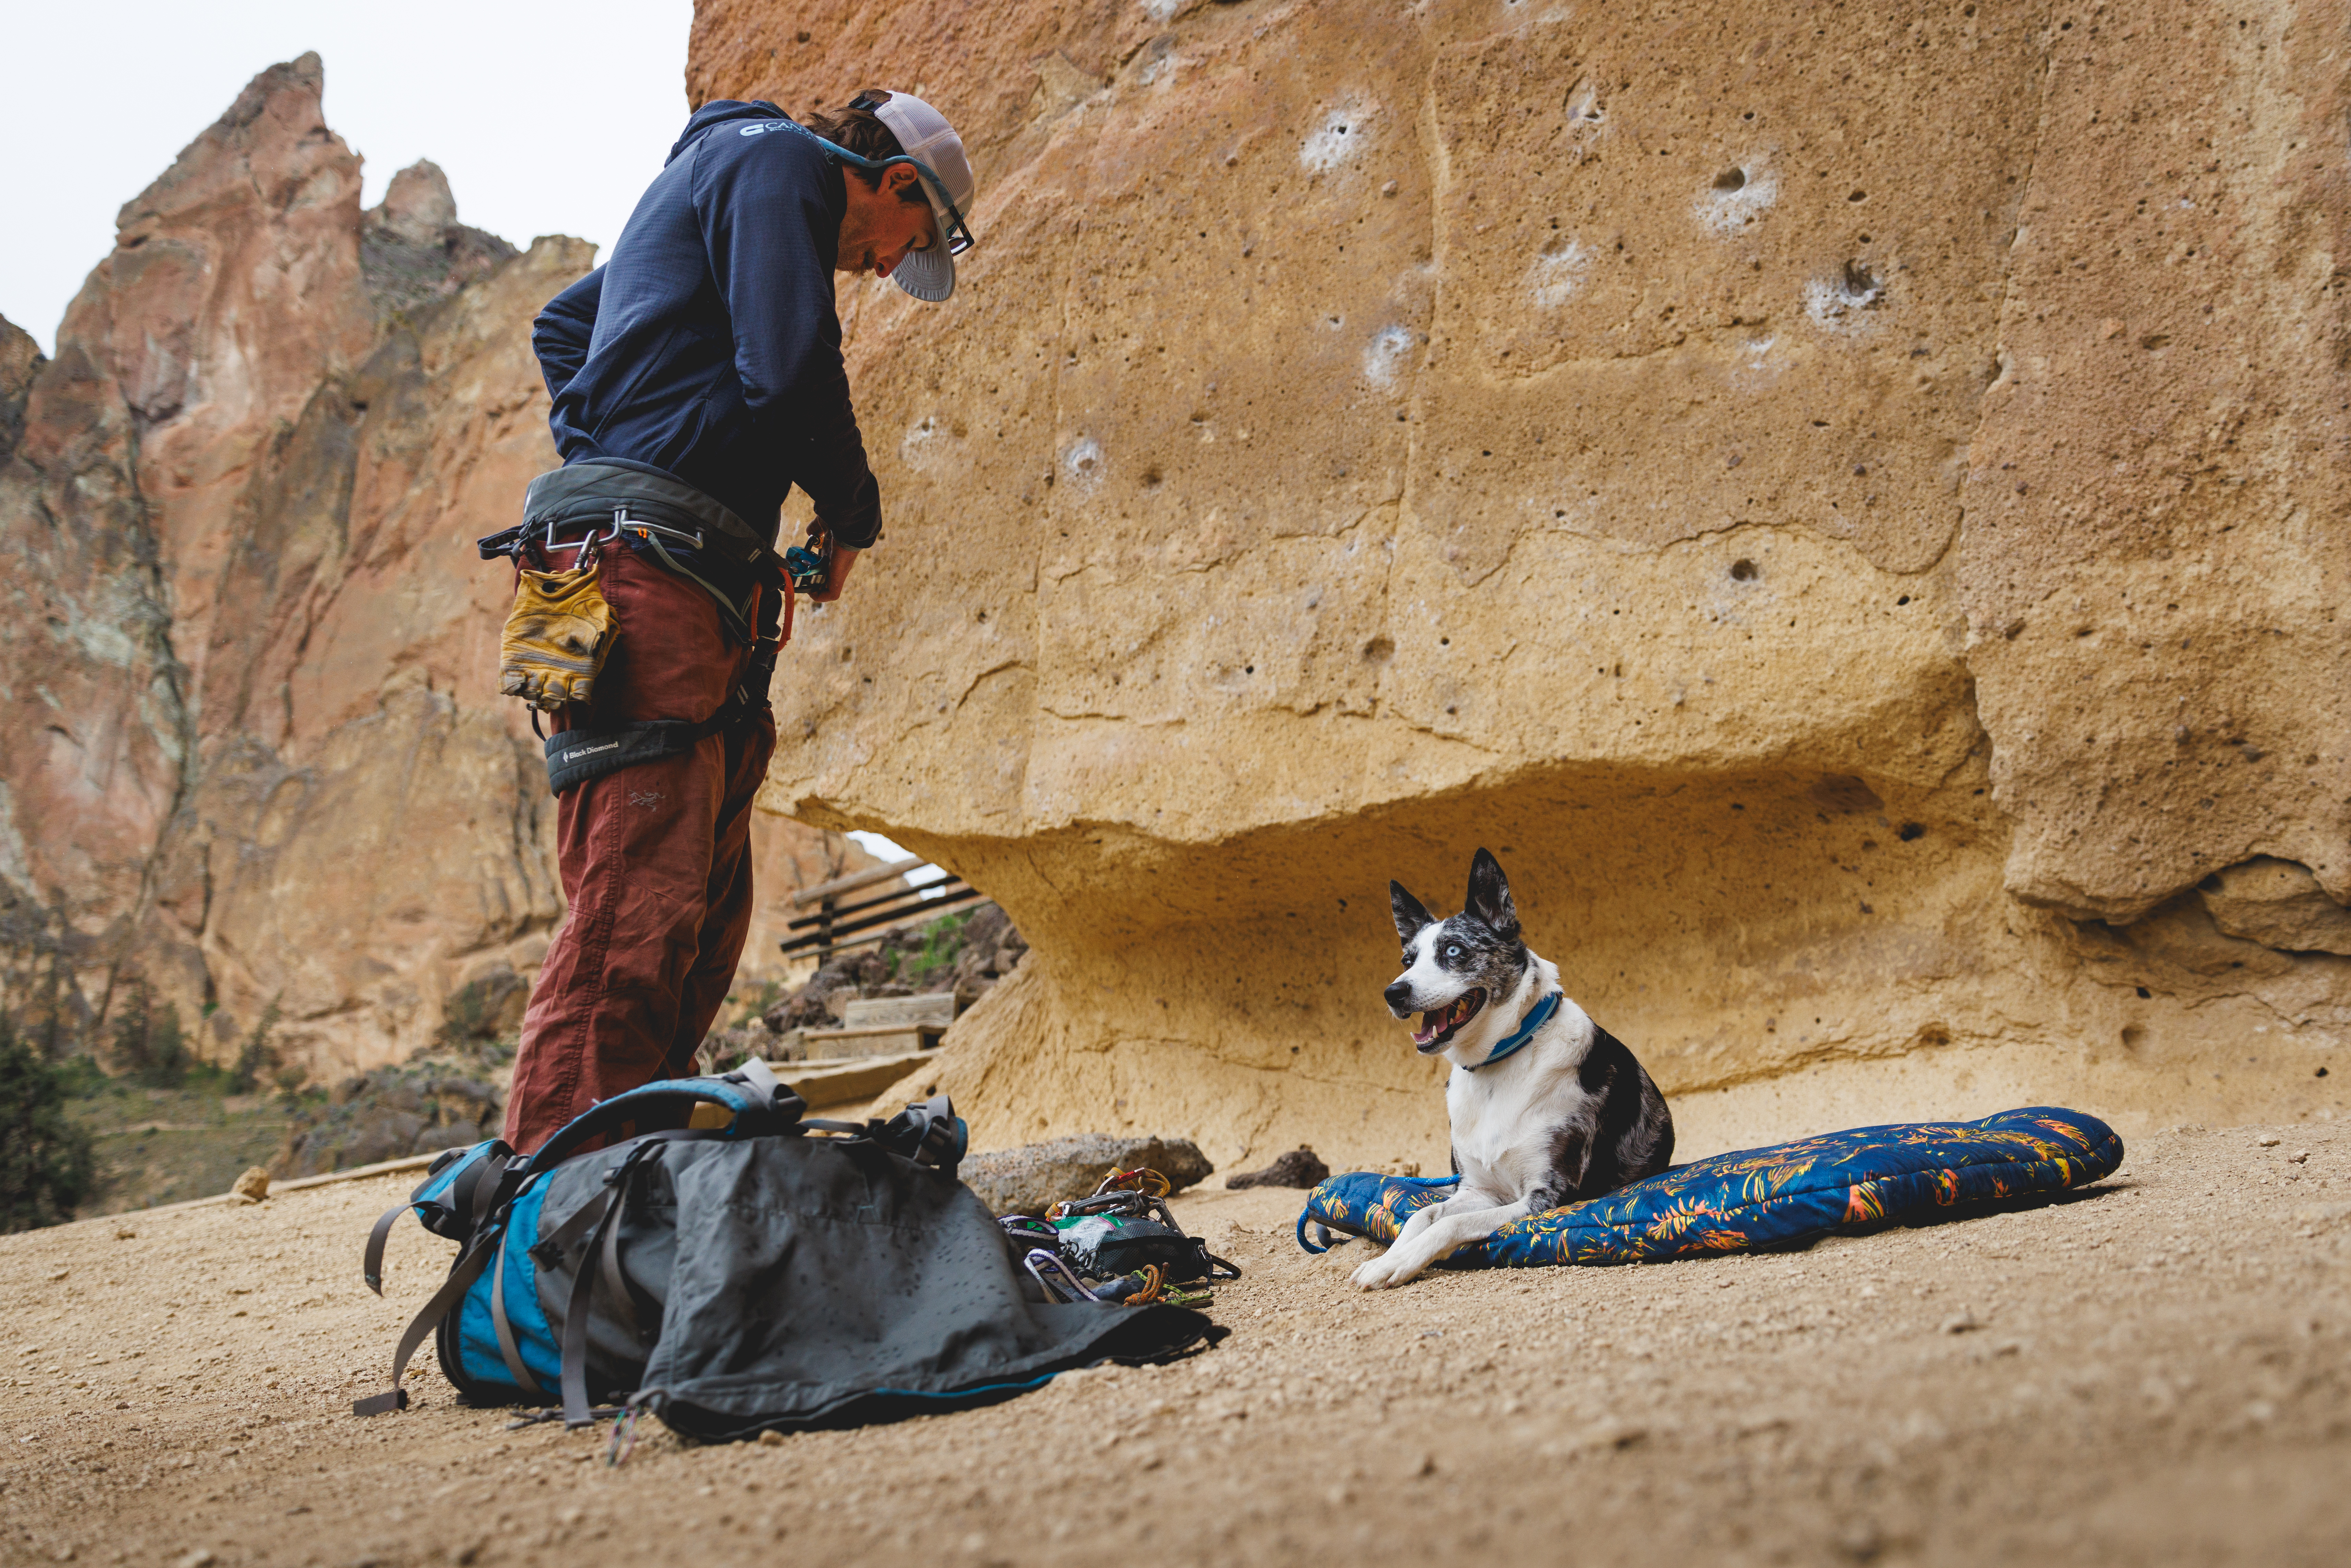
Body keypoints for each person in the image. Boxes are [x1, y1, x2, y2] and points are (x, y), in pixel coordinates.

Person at [494, 89, 978, 1154]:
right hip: (643, 569)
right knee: (632, 898)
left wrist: (620, 431)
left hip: (688, 575)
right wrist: (850, 516)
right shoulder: (778, 168)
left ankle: (635, 1180)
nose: (880, 268)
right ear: (898, 182)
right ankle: (551, 1215)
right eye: (902, 245)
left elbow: (566, 324)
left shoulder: (734, 181)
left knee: (697, 906)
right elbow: (791, 366)